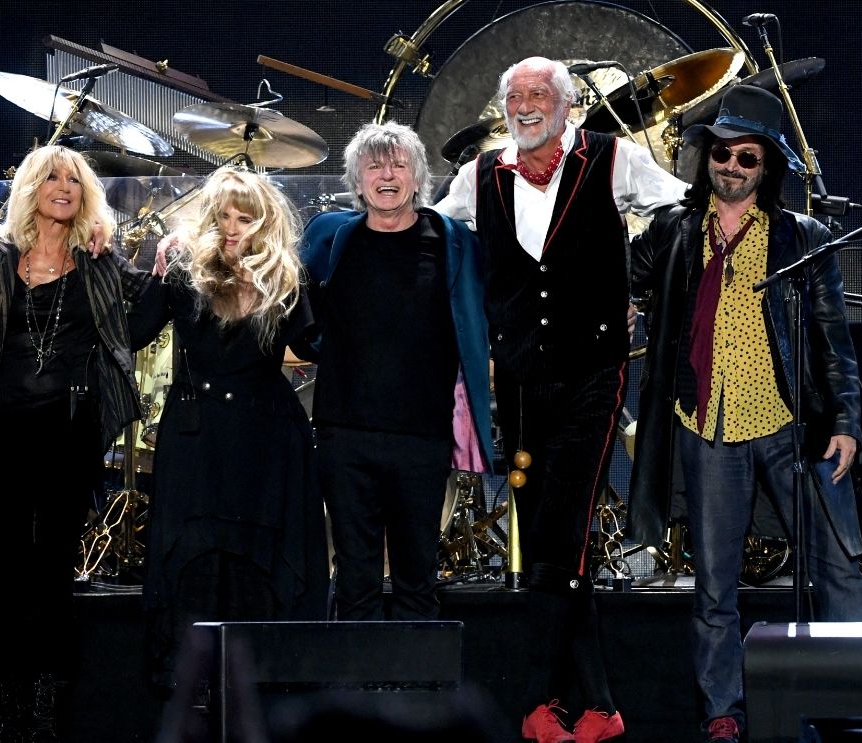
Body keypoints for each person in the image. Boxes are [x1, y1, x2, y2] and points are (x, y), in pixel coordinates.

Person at [434, 57, 687, 743]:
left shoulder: (613, 158)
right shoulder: (479, 173)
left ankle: (536, 701)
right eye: (512, 94)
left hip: (590, 375)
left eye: (538, 93)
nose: (523, 104)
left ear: (567, 104)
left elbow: (679, 210)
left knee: (562, 531)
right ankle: (597, 706)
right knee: (554, 542)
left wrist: (632, 284)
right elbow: (431, 230)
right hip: (517, 378)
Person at [628, 85, 862, 743]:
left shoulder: (800, 236)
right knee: (713, 587)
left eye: (746, 158)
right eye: (722, 154)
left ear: (766, 169)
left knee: (839, 568)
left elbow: (832, 339)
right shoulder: (675, 230)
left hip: (793, 427)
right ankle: (722, 712)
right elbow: (619, 277)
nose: (730, 167)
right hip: (707, 429)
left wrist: (846, 420)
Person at [0, 144, 146, 742]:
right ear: (32, 189)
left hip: (70, 429)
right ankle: (8, 700)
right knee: (10, 563)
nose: (63, 186)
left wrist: (152, 250)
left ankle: (47, 702)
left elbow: (150, 302)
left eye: (74, 179)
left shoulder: (97, 260)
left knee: (54, 566)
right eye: (52, 177)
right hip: (4, 429)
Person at [132, 167, 328, 694]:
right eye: (224, 217)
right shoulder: (182, 267)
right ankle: (192, 696)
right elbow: (133, 330)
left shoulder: (286, 275)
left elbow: (315, 345)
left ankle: (263, 691)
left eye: (246, 218)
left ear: (264, 223)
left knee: (259, 564)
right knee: (194, 561)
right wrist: (153, 264)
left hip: (266, 440)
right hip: (198, 438)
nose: (234, 228)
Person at [300, 121, 495, 622]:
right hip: (345, 434)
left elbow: (491, 306)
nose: (387, 174)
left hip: (421, 436)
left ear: (417, 177)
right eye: (374, 165)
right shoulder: (329, 235)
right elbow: (291, 302)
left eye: (399, 164)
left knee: (417, 576)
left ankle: (416, 697)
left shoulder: (452, 241)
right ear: (357, 179)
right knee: (355, 577)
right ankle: (355, 696)